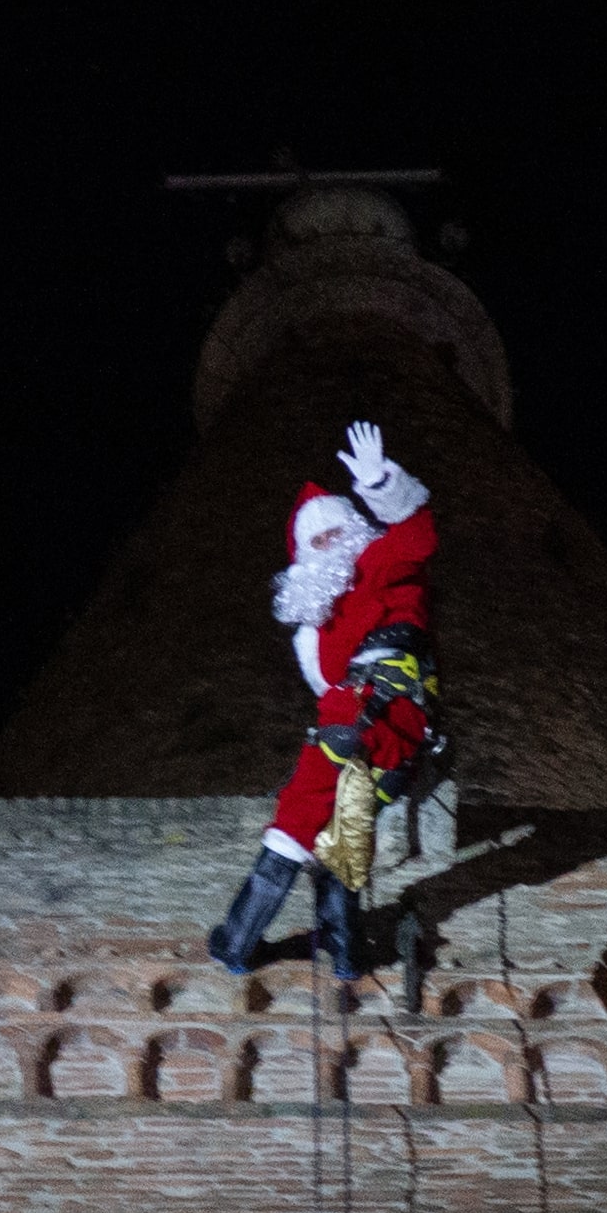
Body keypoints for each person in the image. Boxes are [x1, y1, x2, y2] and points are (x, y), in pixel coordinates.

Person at [205, 418, 441, 975]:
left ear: (354, 531)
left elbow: (416, 538)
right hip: (359, 722)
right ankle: (345, 950)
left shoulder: (376, 567)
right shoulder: (317, 623)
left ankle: (238, 941)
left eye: (337, 531)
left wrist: (381, 483)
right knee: (341, 829)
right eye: (318, 540)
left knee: (298, 814)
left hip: (382, 710)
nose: (331, 544)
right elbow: (323, 680)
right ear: (304, 557)